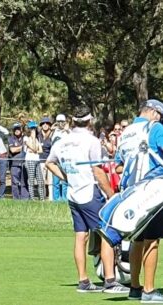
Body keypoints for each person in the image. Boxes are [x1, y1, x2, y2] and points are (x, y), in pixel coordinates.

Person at [46, 104, 129, 294]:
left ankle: (83, 281)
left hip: (73, 193)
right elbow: (98, 171)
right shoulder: (91, 141)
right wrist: (111, 194)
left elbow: (49, 163)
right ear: (89, 121)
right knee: (108, 233)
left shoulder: (61, 141)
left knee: (80, 236)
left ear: (73, 121)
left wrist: (66, 177)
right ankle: (110, 280)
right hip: (89, 192)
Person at [115, 99, 163, 302]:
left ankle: (135, 287)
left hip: (131, 193)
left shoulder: (126, 132)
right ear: (153, 113)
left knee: (137, 239)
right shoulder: (155, 127)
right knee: (152, 241)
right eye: (160, 114)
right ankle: (149, 291)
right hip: (152, 190)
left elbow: (118, 165)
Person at [24, 121, 45, 200]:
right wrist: (32, 138)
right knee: (31, 180)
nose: (33, 130)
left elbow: (40, 150)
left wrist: (35, 150)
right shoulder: (26, 138)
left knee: (40, 180)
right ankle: (32, 198)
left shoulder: (37, 138)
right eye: (32, 128)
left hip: (37, 160)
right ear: (29, 129)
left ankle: (42, 198)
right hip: (30, 160)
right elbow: (33, 147)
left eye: (34, 128)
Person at [51, 114, 69, 201]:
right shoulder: (54, 132)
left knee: (65, 181)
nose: (60, 124)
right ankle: (56, 199)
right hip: (55, 159)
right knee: (56, 181)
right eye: (59, 122)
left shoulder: (68, 132)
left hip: (65, 159)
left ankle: (65, 199)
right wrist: (52, 128)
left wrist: (68, 130)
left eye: (62, 122)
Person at [8, 122, 29, 200]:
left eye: (18, 129)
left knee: (24, 181)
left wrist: (21, 147)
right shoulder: (11, 139)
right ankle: (16, 198)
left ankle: (25, 198)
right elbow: (12, 150)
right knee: (15, 182)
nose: (17, 130)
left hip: (24, 163)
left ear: (21, 129)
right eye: (15, 129)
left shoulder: (25, 138)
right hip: (14, 164)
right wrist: (24, 146)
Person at [38, 117, 53, 199]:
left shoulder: (52, 135)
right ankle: (42, 197)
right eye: (43, 123)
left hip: (50, 161)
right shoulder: (38, 135)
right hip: (40, 161)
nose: (45, 125)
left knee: (50, 181)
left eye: (47, 123)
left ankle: (51, 198)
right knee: (42, 180)